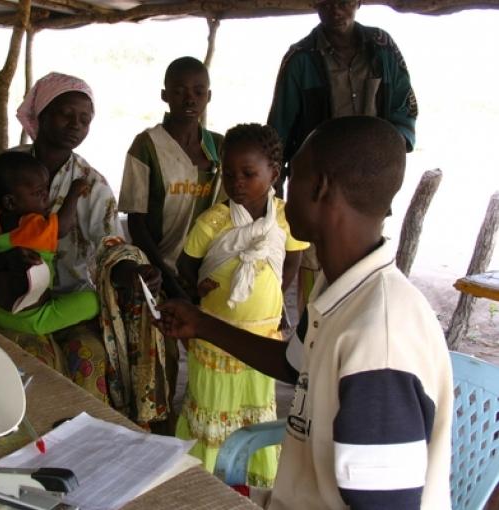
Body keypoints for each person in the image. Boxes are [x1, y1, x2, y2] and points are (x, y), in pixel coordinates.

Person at [156, 116, 452, 509]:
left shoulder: (378, 338)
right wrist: (202, 324)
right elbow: (293, 364)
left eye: (292, 175)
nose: (282, 188)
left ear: (321, 187)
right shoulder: (341, 292)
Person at [0, 73, 170, 427]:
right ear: (41, 114)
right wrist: (2, 260)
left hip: (69, 301)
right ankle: (31, 448)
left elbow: (110, 245)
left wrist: (133, 273)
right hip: (10, 298)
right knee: (33, 361)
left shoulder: (92, 185)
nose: (76, 125)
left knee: (90, 357)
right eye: (66, 114)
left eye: (85, 119)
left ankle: (85, 447)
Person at [174, 123, 307, 481]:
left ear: (274, 174)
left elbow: (291, 259)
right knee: (211, 404)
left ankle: (248, 475)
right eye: (228, 174)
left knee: (253, 406)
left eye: (248, 174)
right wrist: (193, 289)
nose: (236, 183)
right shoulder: (214, 221)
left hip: (263, 334)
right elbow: (185, 264)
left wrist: (277, 296)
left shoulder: (284, 219)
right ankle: (202, 479)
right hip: (214, 334)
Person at [268, 0, 417, 195]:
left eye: (343, 2)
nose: (335, 11)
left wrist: (389, 150)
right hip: (318, 180)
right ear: (315, 5)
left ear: (358, 2)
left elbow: (404, 105)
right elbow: (280, 125)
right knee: (317, 225)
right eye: (326, 4)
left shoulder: (383, 49)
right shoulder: (300, 59)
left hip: (372, 176)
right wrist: (273, 177)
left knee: (368, 225)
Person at [118, 56, 223, 301]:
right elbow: (136, 222)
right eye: (179, 91)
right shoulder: (147, 146)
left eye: (198, 92)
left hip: (207, 269)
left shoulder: (220, 146)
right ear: (165, 96)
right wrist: (165, 277)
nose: (190, 99)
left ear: (208, 96)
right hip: (159, 268)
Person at [0, 151, 99, 335]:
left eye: (46, 190)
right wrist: (74, 191)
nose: (46, 197)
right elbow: (63, 226)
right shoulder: (33, 226)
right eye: (38, 193)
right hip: (33, 318)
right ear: (10, 202)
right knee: (93, 301)